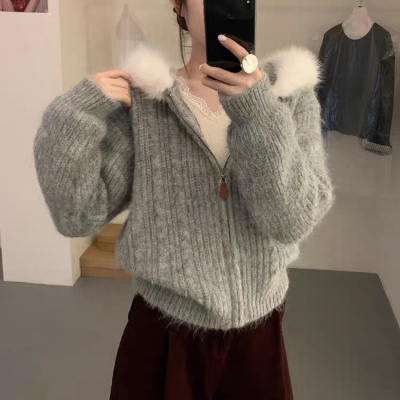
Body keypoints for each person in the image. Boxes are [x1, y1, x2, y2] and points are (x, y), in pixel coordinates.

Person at [34, 0, 334, 398]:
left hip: (257, 337)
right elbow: (78, 216)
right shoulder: (146, 102)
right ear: (178, 5)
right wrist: (70, 119)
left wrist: (259, 113)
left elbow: (292, 221)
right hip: (163, 333)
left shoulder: (290, 96)